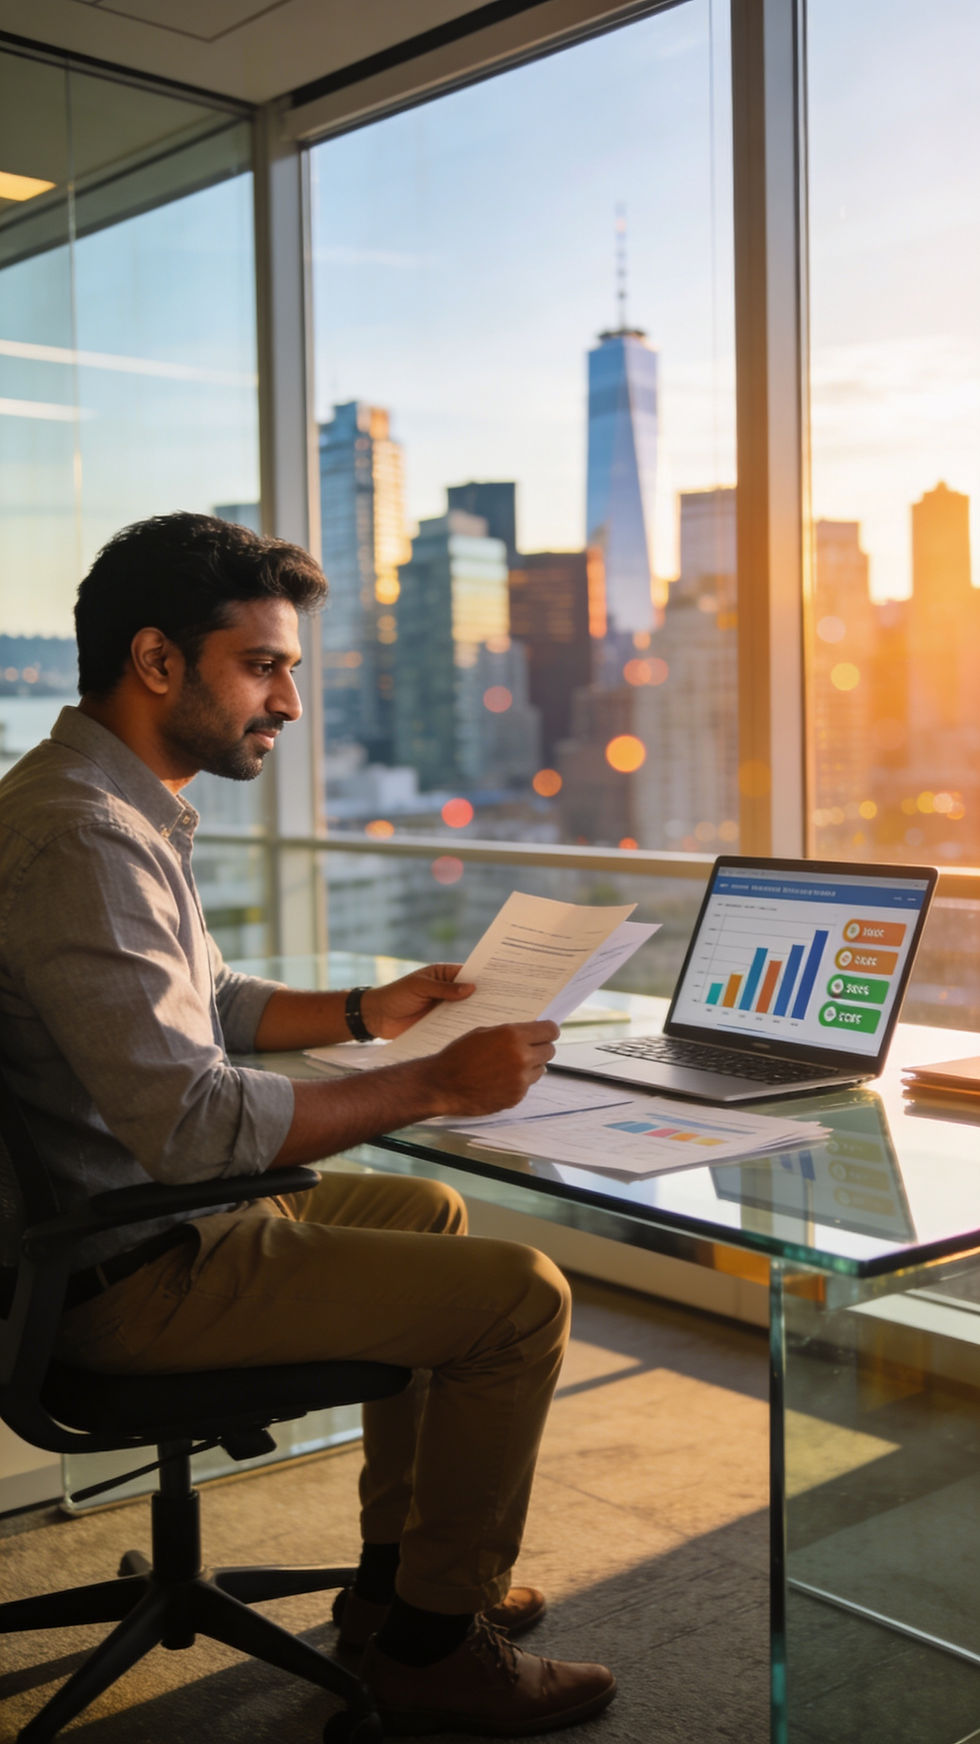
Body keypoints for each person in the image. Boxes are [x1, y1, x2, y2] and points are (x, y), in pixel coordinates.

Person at [0, 513, 616, 1737]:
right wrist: (436, 1083)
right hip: (124, 1262)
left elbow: (205, 1005)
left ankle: (396, 1589)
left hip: (124, 1216)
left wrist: (363, 1011)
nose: (288, 699)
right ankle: (438, 1650)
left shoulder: (105, 802)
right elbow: (188, 1119)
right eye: (263, 665)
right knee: (521, 1298)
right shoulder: (83, 834)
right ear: (158, 661)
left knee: (430, 1209)